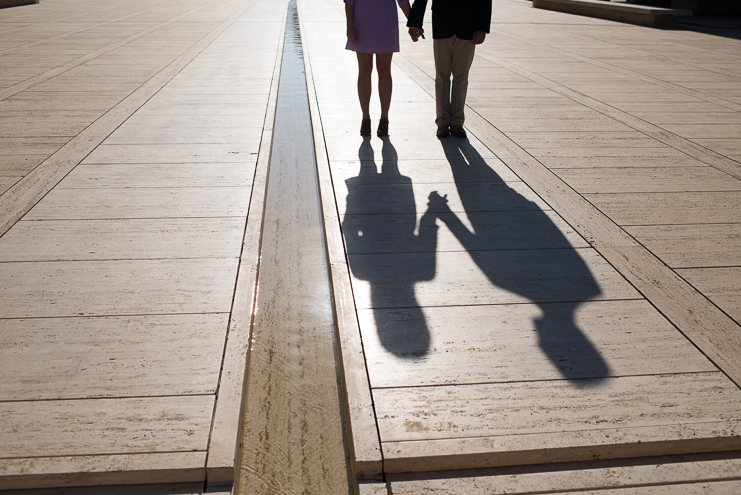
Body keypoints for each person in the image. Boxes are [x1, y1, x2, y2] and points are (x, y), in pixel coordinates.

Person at [406, 0, 492, 138]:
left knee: (461, 77)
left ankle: (457, 122)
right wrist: (415, 23)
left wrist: (482, 27)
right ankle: (442, 122)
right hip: (442, 23)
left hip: (468, 26)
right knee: (442, 76)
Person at [345, 0, 411, 137]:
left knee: (384, 70)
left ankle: (384, 119)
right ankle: (365, 118)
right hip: (362, 21)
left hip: (386, 22)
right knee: (364, 69)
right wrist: (349, 26)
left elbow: (403, 1)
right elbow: (349, 1)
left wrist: (413, 23)